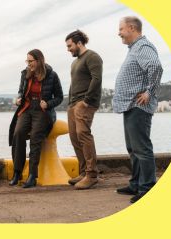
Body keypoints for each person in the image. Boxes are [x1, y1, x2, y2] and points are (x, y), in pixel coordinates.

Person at [113, 16, 163, 203]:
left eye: (121, 29)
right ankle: (136, 184)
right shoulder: (134, 48)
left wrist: (149, 92)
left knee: (141, 148)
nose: (119, 33)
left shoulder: (143, 46)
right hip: (131, 105)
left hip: (139, 106)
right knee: (133, 148)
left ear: (132, 28)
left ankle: (148, 187)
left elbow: (155, 66)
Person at [8, 49, 63, 188]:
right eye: (27, 61)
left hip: (42, 110)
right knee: (18, 133)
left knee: (35, 137)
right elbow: (21, 90)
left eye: (30, 61)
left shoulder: (52, 75)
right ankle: (17, 172)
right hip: (26, 108)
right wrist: (19, 98)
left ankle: (32, 175)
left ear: (39, 61)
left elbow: (59, 97)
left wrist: (48, 104)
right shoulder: (25, 73)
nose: (28, 64)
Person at [65, 30, 103, 190]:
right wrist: (70, 103)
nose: (68, 49)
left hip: (85, 103)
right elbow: (74, 83)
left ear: (79, 42)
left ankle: (92, 175)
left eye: (70, 45)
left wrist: (86, 101)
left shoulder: (92, 56)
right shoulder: (75, 62)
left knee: (83, 135)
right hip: (73, 104)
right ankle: (83, 172)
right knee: (74, 137)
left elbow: (97, 79)